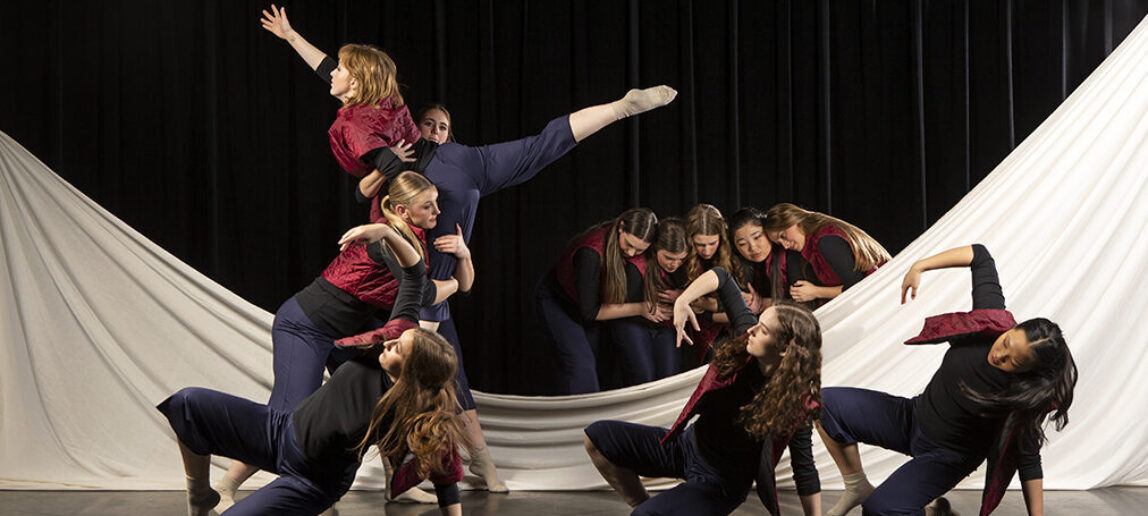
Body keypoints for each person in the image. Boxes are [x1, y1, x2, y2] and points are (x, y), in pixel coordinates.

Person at [157, 223, 467, 516]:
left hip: (313, 482)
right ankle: (200, 496)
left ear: (411, 373)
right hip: (280, 433)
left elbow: (446, 477)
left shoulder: (409, 408)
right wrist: (386, 231)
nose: (389, 342)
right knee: (187, 403)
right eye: (397, 339)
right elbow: (414, 276)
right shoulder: (395, 333)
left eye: (399, 348)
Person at [213, 172, 471, 508]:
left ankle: (397, 483)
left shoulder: (412, 236)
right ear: (404, 211)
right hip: (305, 326)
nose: (438, 211)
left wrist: (463, 258)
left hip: (346, 335)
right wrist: (453, 285)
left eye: (436, 202)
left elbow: (444, 283)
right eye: (428, 205)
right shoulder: (388, 239)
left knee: (390, 393)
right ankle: (225, 486)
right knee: (289, 413)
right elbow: (422, 291)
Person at [816, 244, 1077, 516]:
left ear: (1028, 372)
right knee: (823, 403)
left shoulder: (1020, 395)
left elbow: (1028, 460)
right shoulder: (990, 321)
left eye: (1015, 361)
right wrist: (920, 265)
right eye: (1007, 343)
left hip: (946, 456)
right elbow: (980, 255)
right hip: (912, 417)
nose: (1000, 355)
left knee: (879, 510)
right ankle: (857, 486)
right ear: (1011, 327)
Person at [584, 265, 823, 515]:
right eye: (757, 323)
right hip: (687, 447)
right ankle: (647, 506)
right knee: (598, 437)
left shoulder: (795, 402)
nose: (751, 330)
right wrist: (683, 301)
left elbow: (804, 469)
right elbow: (722, 277)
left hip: (719, 482)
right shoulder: (746, 343)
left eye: (763, 330)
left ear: (785, 348)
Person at [261, 5, 422, 222]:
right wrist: (290, 35)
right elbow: (325, 68)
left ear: (355, 83)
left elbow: (366, 190)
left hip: (412, 204)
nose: (333, 72)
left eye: (340, 69)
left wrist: (389, 161)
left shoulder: (361, 121)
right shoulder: (375, 105)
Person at [536, 208, 666, 394]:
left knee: (603, 367)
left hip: (590, 305)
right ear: (621, 227)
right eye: (629, 244)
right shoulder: (590, 253)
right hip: (558, 301)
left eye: (639, 249)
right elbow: (590, 312)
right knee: (581, 366)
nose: (631, 252)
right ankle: (581, 421)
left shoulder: (638, 250)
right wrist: (640, 308)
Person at [607, 217, 689, 385]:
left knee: (670, 377)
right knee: (643, 374)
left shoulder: (687, 267)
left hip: (665, 325)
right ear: (656, 247)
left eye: (681, 259)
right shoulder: (636, 266)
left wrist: (685, 295)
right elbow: (617, 306)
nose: (675, 264)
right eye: (669, 258)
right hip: (631, 321)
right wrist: (646, 310)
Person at [762, 203, 890, 308]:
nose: (785, 246)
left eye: (783, 236)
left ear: (794, 220)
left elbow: (857, 287)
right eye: (779, 243)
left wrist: (815, 292)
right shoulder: (813, 245)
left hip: (883, 299)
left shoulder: (826, 241)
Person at [680, 204, 741, 363]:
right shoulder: (681, 257)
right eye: (700, 244)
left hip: (730, 327)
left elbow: (739, 304)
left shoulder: (734, 254)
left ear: (721, 237)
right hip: (694, 331)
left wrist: (703, 305)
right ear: (689, 238)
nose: (706, 251)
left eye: (712, 243)